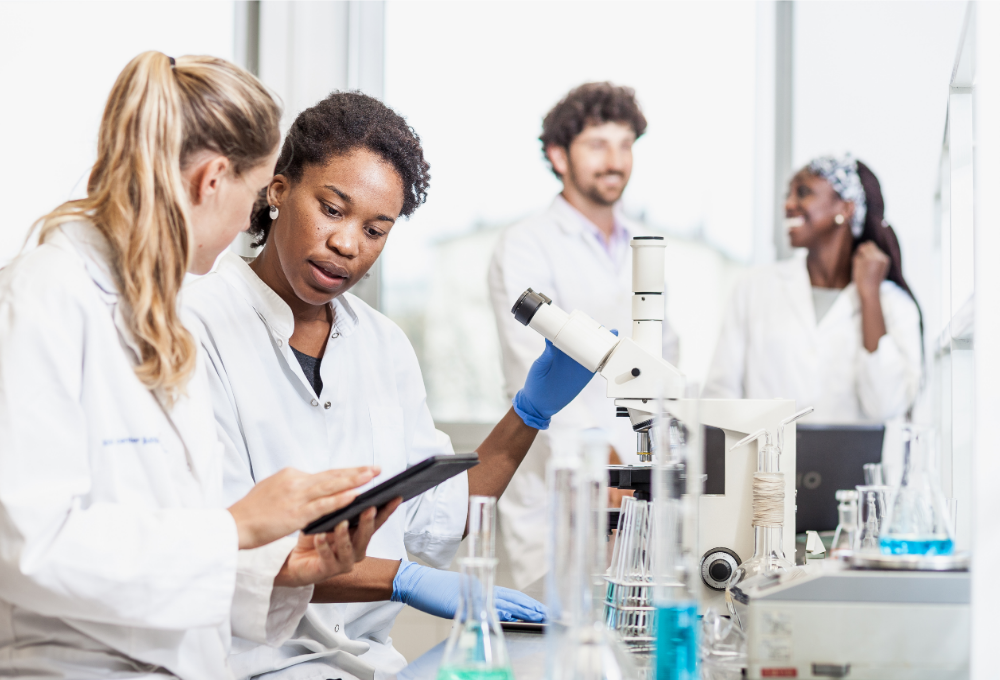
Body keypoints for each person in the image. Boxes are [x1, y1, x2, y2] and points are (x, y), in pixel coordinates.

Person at [0, 52, 397, 680]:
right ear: (212, 180)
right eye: (253, 192)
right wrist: (236, 525)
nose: (250, 220)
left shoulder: (155, 312)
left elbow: (172, 546)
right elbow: (28, 549)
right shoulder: (42, 298)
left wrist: (288, 567)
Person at [183, 91, 594, 680]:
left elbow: (437, 516)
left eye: (376, 229)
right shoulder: (196, 325)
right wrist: (403, 580)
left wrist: (529, 413)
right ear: (277, 189)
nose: (349, 244)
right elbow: (229, 546)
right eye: (331, 209)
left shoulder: (383, 344)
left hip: (371, 668)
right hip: (244, 664)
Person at [487, 82, 679, 589]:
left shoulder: (646, 243)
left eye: (624, 145)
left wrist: (656, 462)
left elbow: (664, 357)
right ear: (559, 155)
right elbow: (533, 366)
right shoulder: (525, 245)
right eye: (597, 145)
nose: (614, 160)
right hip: (563, 486)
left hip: (640, 483)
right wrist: (608, 466)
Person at [702, 155, 922, 423]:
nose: (788, 205)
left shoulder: (893, 304)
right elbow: (719, 395)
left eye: (803, 192)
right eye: (789, 194)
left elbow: (885, 406)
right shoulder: (754, 287)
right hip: (763, 464)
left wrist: (869, 296)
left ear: (845, 208)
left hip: (849, 465)